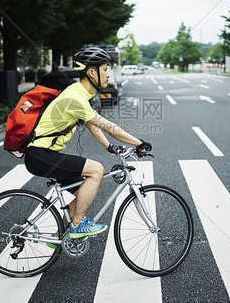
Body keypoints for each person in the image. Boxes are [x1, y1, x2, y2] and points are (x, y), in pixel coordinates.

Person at [24, 47, 152, 239]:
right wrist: (139, 142)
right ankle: (77, 226)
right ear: (92, 72)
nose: (108, 74)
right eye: (105, 69)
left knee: (83, 192)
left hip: (45, 155)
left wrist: (110, 147)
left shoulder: (80, 94)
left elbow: (93, 126)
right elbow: (106, 126)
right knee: (96, 170)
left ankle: (58, 236)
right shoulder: (75, 97)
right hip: (40, 156)